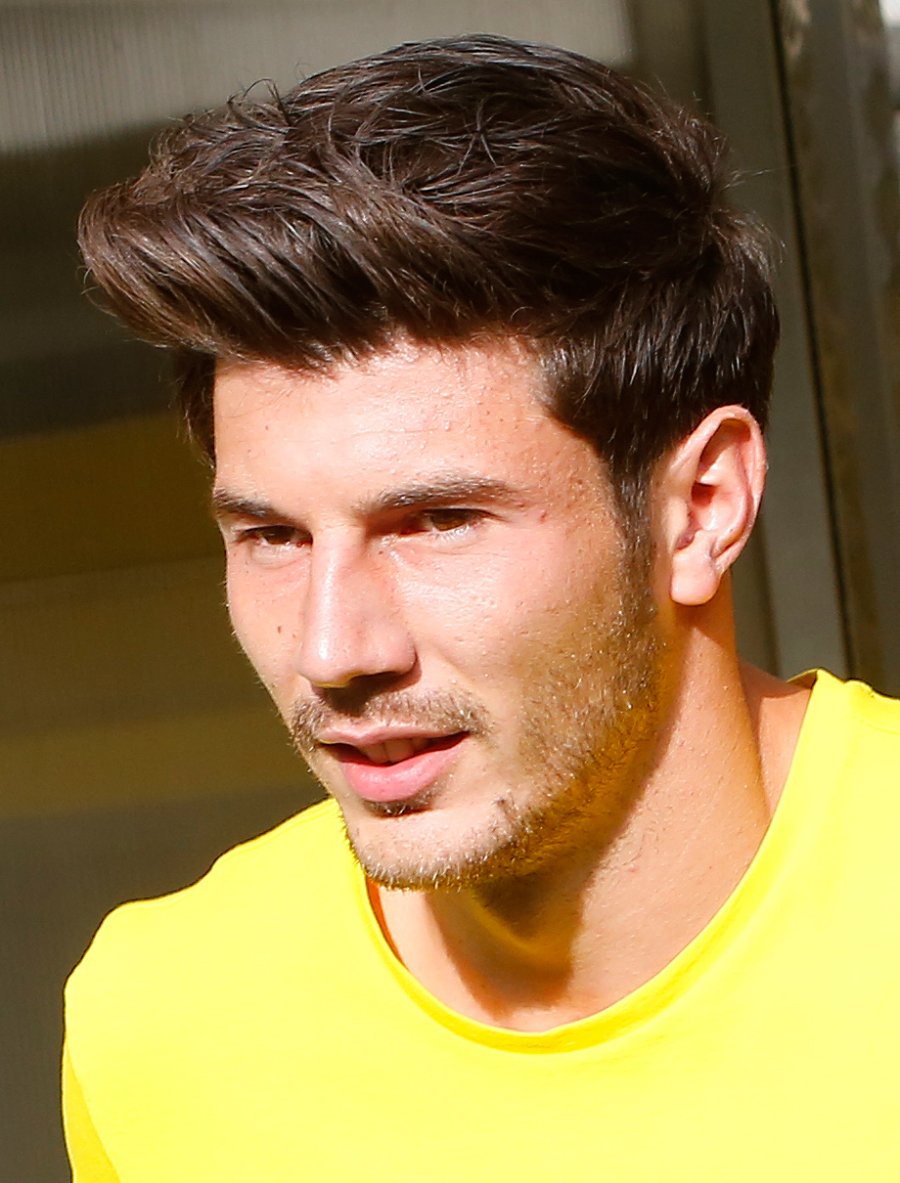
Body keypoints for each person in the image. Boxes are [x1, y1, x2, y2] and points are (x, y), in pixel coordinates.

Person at [63, 33, 900, 1182]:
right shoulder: (162, 1026)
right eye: (273, 536)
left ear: (702, 508)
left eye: (437, 522)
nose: (334, 651)